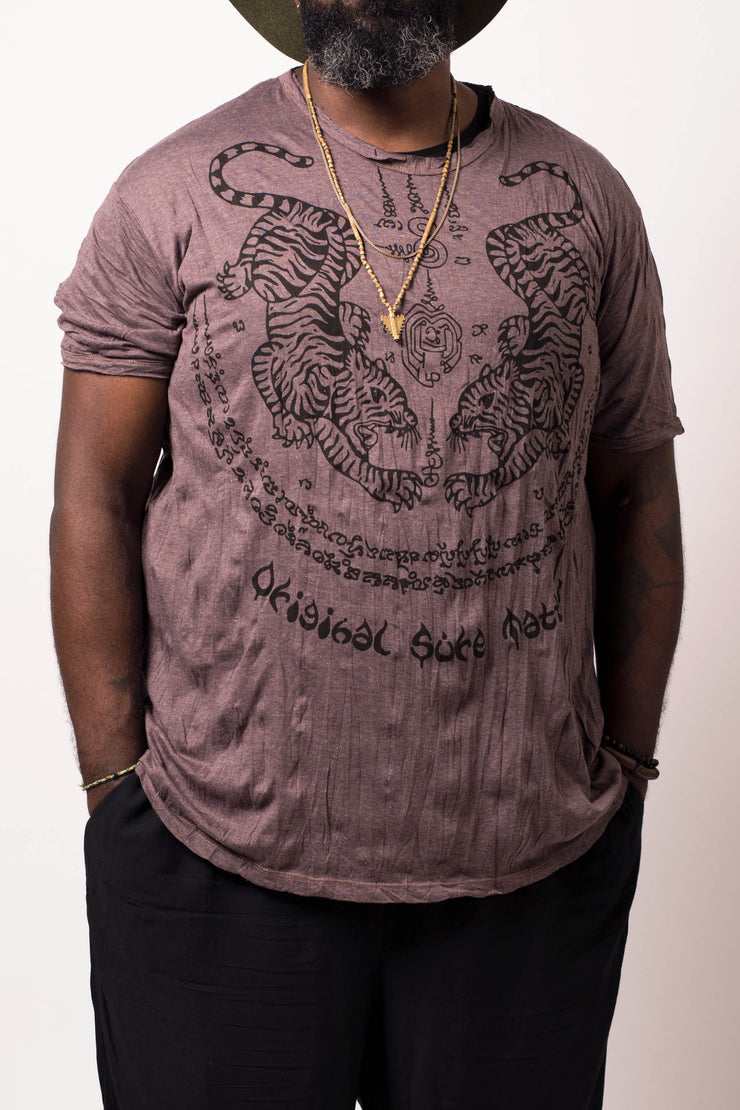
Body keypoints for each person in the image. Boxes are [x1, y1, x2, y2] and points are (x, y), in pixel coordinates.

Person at [50, 1, 685, 1107]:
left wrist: (623, 768)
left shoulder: (585, 197)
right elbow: (92, 498)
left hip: (525, 867)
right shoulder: (170, 191)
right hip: (213, 860)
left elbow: (634, 489)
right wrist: (118, 791)